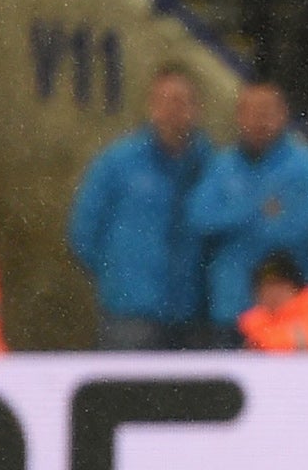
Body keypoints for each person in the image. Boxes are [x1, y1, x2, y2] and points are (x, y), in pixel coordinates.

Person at [67, 63, 214, 350]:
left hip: (192, 316)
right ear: (152, 106)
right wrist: (118, 278)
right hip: (130, 315)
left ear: (196, 109)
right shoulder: (117, 163)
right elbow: (83, 232)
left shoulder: (213, 166)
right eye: (165, 101)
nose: (173, 111)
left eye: (182, 102)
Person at [186, 82, 308, 336]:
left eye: (267, 112)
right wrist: (256, 209)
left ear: (283, 115)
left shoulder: (304, 167)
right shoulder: (223, 165)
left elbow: (294, 230)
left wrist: (230, 219)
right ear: (239, 116)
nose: (259, 120)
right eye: (252, 112)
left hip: (287, 311)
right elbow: (199, 218)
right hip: (231, 307)